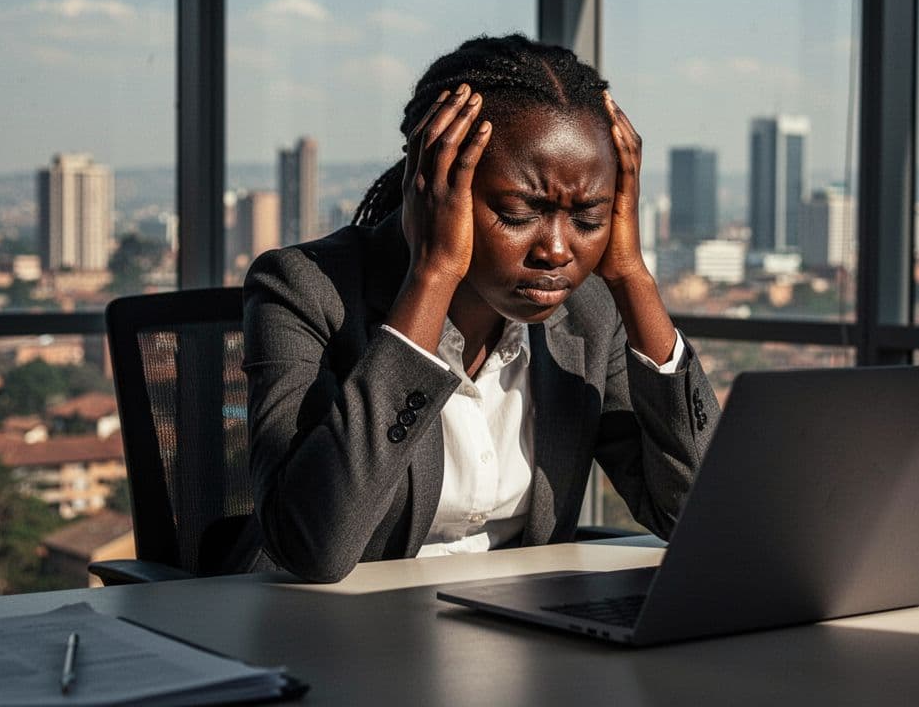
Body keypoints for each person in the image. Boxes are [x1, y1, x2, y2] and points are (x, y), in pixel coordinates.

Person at [243, 34, 719, 583]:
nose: (558, 251)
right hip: (339, 639)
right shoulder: (304, 290)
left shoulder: (590, 315)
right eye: (519, 214)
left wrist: (632, 276)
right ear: (431, 183)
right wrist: (433, 272)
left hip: (523, 637)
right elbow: (313, 547)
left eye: (589, 219)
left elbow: (696, 515)